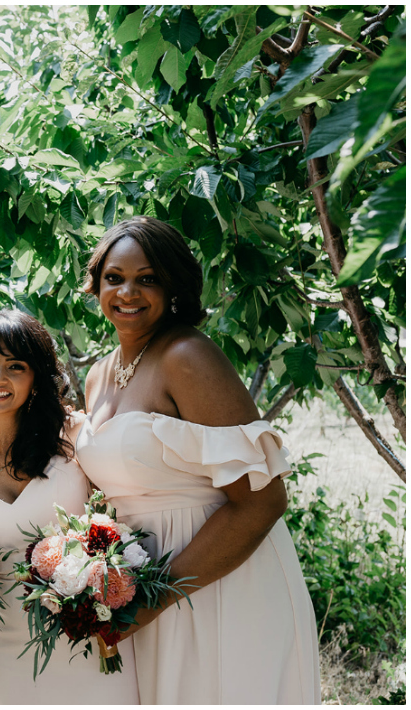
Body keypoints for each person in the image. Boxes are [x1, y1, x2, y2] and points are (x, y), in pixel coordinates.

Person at [74, 215, 320, 704]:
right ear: (96, 284)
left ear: (174, 287)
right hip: (139, 582)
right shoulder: (99, 375)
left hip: (216, 582)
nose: (128, 292)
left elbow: (263, 502)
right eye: (114, 278)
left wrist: (160, 595)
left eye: (148, 279)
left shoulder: (189, 356)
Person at [0, 310, 140, 705]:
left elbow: (125, 516)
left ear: (35, 379)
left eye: (16, 367)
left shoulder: (73, 434)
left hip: (91, 636)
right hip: (9, 646)